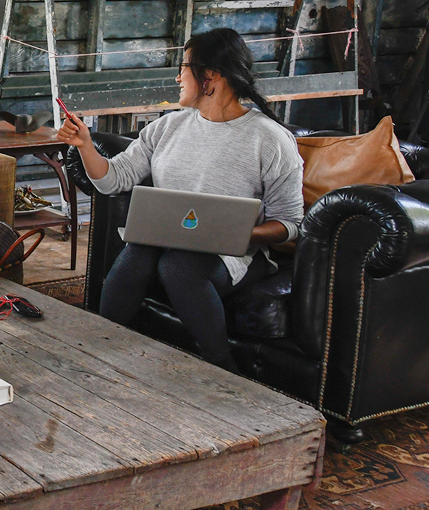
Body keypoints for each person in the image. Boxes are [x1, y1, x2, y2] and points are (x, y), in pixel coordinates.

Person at [55, 27, 303, 373]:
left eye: (184, 66)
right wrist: (84, 145)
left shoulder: (270, 139)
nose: (177, 76)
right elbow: (113, 180)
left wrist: (235, 232)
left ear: (210, 76)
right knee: (139, 251)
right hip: (172, 243)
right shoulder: (168, 127)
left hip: (236, 255)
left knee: (179, 265)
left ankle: (224, 370)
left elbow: (290, 224)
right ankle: (94, 352)